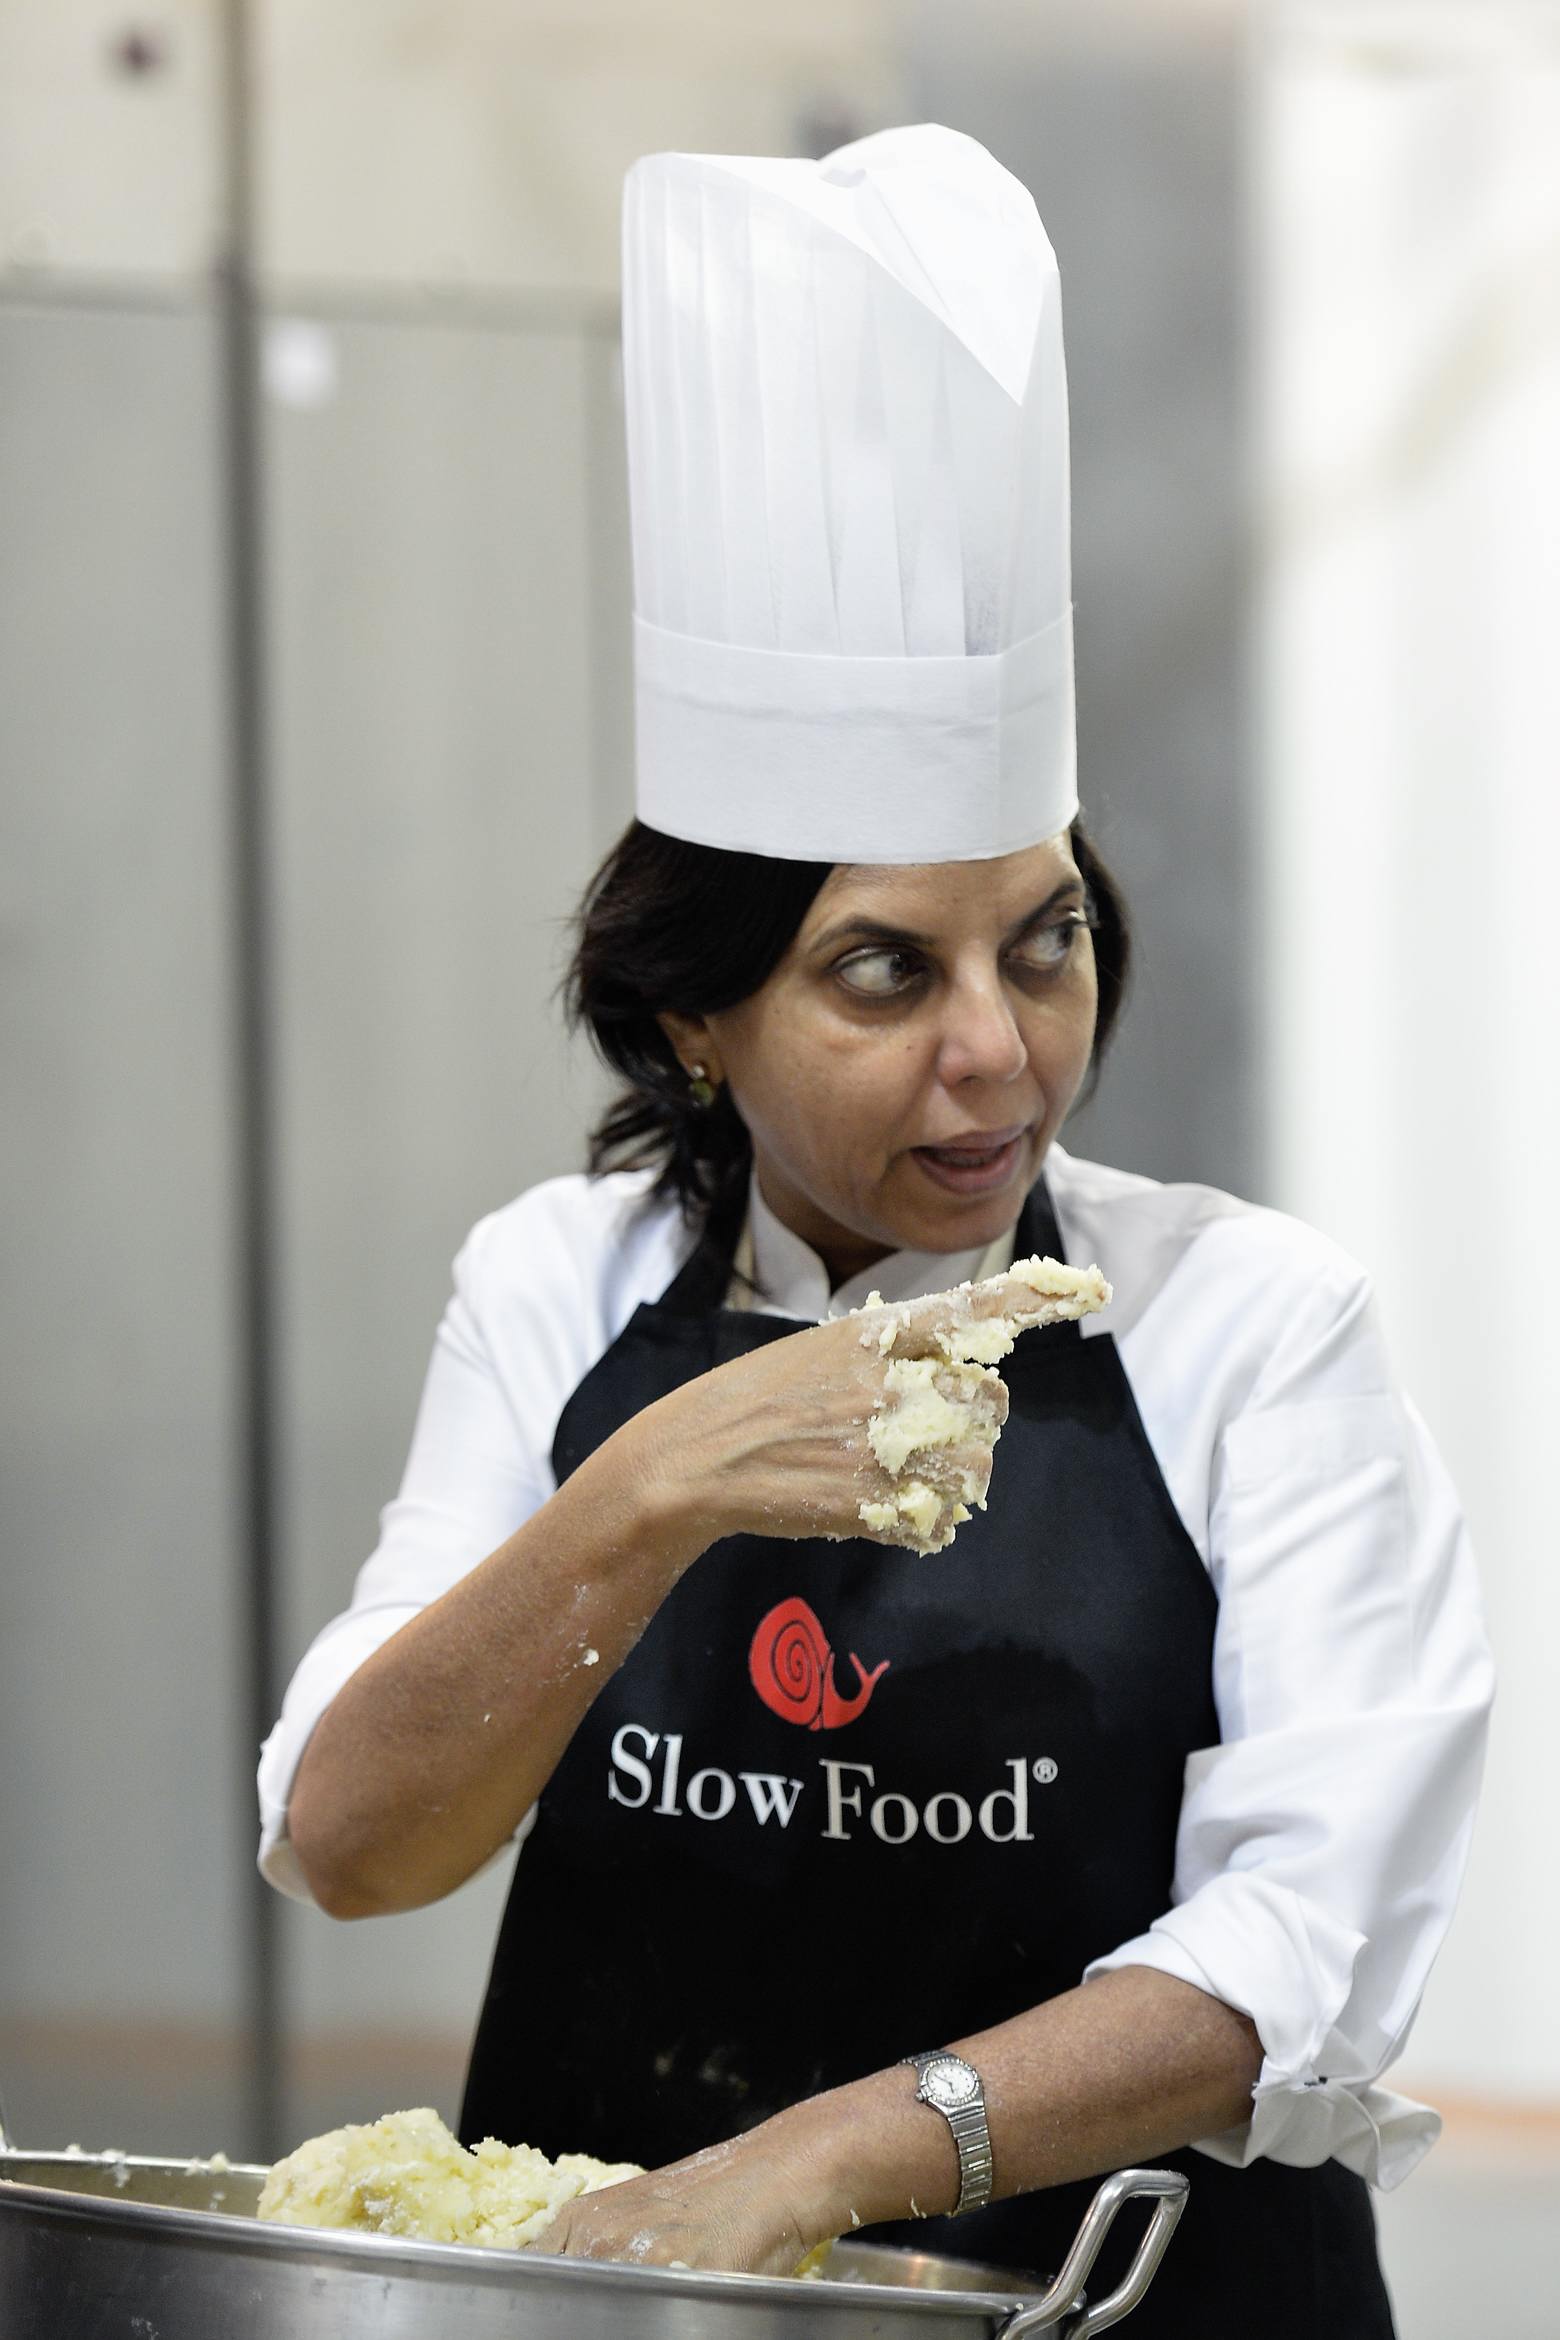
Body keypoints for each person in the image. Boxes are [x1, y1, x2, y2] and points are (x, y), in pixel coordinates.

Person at [257, 128, 1492, 2337]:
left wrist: (813, 2163)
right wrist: (647, 1492)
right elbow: (357, 1846)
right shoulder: (553, 1293)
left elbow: (1294, 1959)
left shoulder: (1252, 1329)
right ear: (693, 1016)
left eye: (1045, 941)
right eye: (884, 973)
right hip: (634, 2315)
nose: (999, 1054)